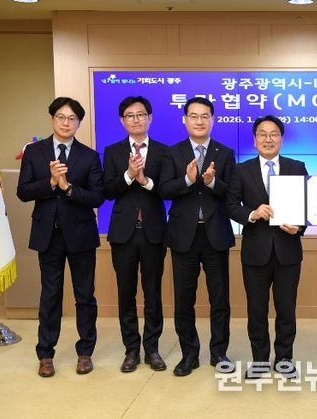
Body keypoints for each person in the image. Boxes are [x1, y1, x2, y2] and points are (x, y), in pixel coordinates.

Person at [17, 97, 104, 377]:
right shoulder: (35, 152)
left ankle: (85, 352)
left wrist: (67, 188)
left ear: (79, 123)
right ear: (52, 119)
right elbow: (23, 192)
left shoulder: (89, 156)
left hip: (81, 235)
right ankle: (45, 354)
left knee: (85, 296)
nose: (66, 123)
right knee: (50, 296)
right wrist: (51, 183)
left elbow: (97, 197)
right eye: (61, 117)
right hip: (48, 235)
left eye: (72, 119)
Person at [225, 115, 308, 379]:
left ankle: (284, 359)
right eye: (262, 134)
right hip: (255, 252)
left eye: (274, 134)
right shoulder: (241, 170)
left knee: (287, 309)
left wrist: (299, 226)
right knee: (257, 310)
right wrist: (252, 213)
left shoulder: (297, 167)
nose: (268, 139)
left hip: (288, 250)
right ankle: (259, 360)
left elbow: (308, 206)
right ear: (255, 139)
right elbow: (230, 205)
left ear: (281, 139)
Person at [158, 96, 236, 376]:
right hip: (183, 236)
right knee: (183, 299)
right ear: (185, 120)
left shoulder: (225, 153)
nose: (199, 121)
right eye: (194, 116)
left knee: (220, 299)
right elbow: (164, 190)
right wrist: (188, 180)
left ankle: (219, 352)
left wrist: (212, 182)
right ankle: (189, 354)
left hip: (215, 234)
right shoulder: (173, 153)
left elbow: (232, 193)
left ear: (212, 120)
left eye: (205, 116)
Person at [103, 96, 168, 373]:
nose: (136, 119)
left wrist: (146, 181)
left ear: (150, 118)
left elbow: (167, 190)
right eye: (130, 116)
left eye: (141, 114)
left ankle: (152, 349)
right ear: (122, 121)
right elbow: (107, 191)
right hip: (123, 233)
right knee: (126, 293)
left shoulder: (164, 152)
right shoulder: (113, 151)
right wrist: (129, 175)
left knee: (153, 293)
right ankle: (131, 349)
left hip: (154, 232)